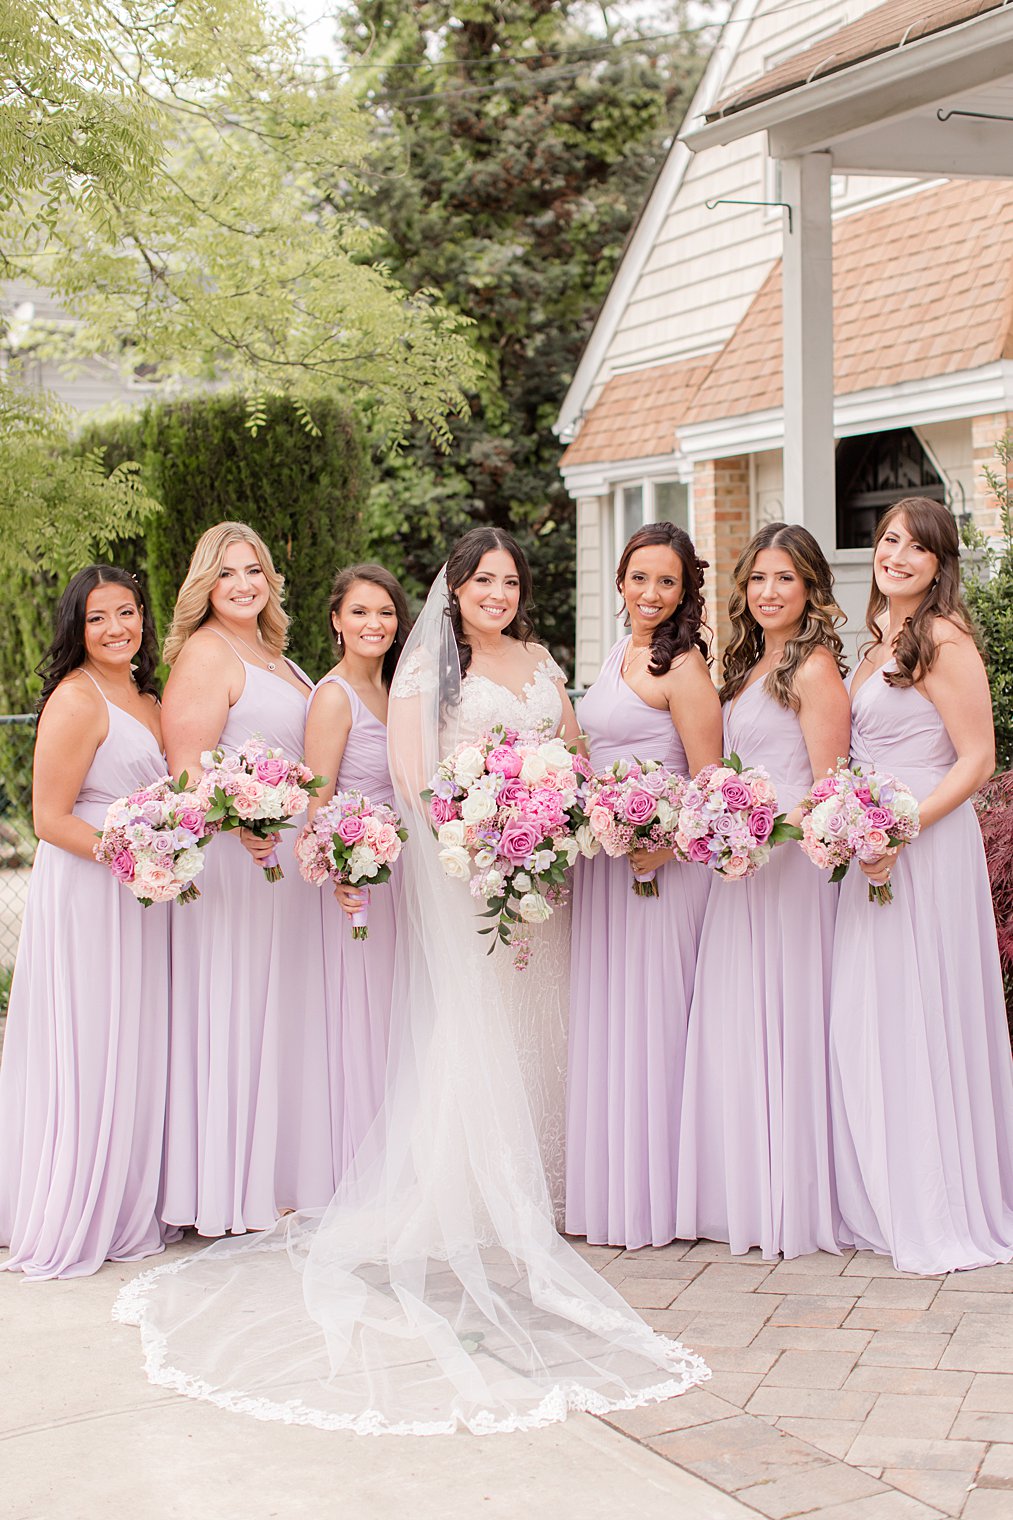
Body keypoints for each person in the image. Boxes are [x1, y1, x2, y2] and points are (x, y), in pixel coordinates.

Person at [114, 527, 709, 1436]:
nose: (498, 594)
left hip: (546, 871)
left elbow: (575, 754)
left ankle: (556, 1182)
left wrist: (553, 821)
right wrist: (477, 842)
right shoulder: (430, 668)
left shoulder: (546, 660)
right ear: (456, 589)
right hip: (474, 873)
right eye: (483, 581)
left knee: (550, 1019)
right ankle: (476, 1182)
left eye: (510, 581)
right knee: (477, 1023)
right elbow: (413, 781)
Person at [829, 496, 1013, 1273]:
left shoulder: (940, 638)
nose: (896, 555)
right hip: (868, 845)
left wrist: (900, 829)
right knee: (868, 1015)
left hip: (923, 848)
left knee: (919, 1013)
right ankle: (884, 1191)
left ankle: (937, 1203)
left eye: (916, 547)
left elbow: (976, 759)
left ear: (939, 565)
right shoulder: (874, 642)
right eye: (887, 540)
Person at [677, 523, 852, 1259]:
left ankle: (787, 1198)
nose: (768, 592)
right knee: (736, 1020)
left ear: (809, 586)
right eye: (756, 580)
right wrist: (722, 832)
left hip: (786, 874)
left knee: (780, 1021)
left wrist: (761, 832)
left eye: (783, 579)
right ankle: (737, 1190)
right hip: (738, 870)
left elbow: (830, 788)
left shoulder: (812, 668)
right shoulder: (749, 663)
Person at [0, 566, 177, 1277]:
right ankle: (77, 1198)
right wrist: (128, 855)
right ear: (77, 627)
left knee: (136, 1039)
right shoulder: (75, 699)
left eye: (127, 613)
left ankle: (133, 1191)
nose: (116, 629)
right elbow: (49, 818)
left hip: (144, 892)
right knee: (91, 1036)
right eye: (99, 617)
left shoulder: (144, 694)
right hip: (91, 890)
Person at [159, 522, 334, 1236]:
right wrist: (242, 821)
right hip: (240, 861)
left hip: (288, 864)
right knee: (240, 1006)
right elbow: (186, 771)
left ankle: (277, 1173)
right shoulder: (205, 653)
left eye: (253, 570)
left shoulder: (276, 654)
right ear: (205, 583)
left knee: (282, 1013)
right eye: (226, 572)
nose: (242, 584)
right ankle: (231, 1186)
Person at [566, 523, 722, 1249]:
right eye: (638, 578)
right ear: (620, 580)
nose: (650, 593)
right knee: (610, 1022)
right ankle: (611, 1193)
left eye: (666, 581)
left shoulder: (683, 668)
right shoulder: (616, 651)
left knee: (653, 1024)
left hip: (659, 873)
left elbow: (709, 782)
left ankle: (657, 1201)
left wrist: (661, 844)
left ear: (685, 588)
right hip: (605, 870)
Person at [303, 564, 412, 1178]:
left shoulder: (399, 690)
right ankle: (361, 1167)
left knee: (402, 1011)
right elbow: (317, 802)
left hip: (408, 873)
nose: (375, 624)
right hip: (362, 881)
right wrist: (341, 869)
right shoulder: (334, 695)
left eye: (386, 613)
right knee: (364, 1015)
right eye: (361, 612)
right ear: (336, 622)